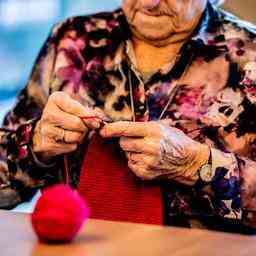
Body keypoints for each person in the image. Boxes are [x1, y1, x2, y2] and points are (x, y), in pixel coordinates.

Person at [1, 0, 256, 232]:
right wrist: (36, 145)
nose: (148, 2)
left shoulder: (250, 55)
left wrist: (197, 165)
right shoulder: (73, 41)